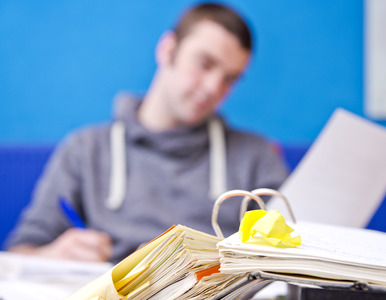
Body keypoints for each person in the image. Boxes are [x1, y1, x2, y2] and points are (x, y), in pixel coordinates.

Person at [5, 2, 288, 263]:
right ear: (167, 50)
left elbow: (298, 248)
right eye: (205, 64)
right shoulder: (86, 149)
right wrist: (54, 255)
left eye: (229, 78)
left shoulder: (256, 156)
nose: (214, 88)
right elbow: (18, 255)